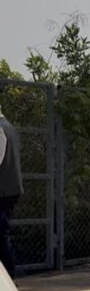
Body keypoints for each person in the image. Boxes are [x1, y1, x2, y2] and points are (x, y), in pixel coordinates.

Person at [0, 104, 23, 276]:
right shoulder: (10, 128)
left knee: (1, 236)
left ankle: (9, 275)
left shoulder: (0, 129)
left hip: (2, 191)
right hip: (9, 189)